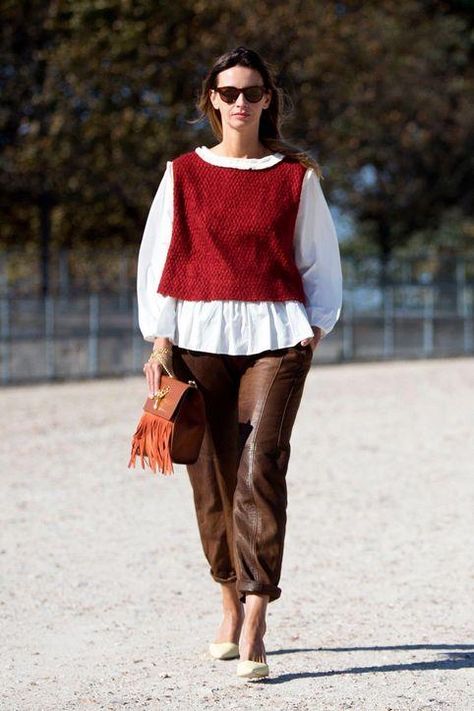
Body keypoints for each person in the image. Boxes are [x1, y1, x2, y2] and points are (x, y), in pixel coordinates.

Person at [137, 46, 342, 679]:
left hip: (277, 337)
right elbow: (159, 258)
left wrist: (315, 326)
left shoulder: (296, 177)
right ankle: (226, 598)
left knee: (260, 465)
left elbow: (318, 258)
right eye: (229, 92)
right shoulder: (183, 174)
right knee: (212, 477)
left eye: (253, 92)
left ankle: (256, 615)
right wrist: (159, 341)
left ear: (267, 101)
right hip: (197, 337)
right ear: (211, 101)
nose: (240, 103)